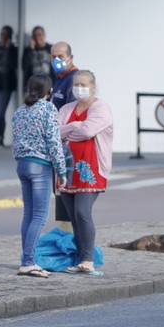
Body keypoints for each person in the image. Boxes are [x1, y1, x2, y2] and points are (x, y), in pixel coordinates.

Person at [57, 69, 113, 275]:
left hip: (91, 168)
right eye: (76, 85)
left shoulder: (101, 109)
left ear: (93, 86)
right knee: (73, 216)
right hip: (66, 169)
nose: (79, 89)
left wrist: (70, 131)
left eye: (84, 85)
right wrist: (74, 125)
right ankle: (81, 257)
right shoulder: (67, 108)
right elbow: (55, 131)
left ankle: (88, 259)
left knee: (82, 211)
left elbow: (88, 131)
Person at [11, 74, 66, 277]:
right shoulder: (48, 109)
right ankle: (28, 262)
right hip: (40, 165)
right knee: (40, 216)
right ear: (49, 91)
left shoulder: (19, 111)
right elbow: (54, 142)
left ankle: (27, 258)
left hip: (22, 164)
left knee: (28, 214)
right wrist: (61, 171)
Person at [49, 41, 78, 108]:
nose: (56, 60)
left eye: (60, 56)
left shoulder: (74, 79)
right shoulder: (59, 76)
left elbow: (71, 110)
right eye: (53, 57)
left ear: (70, 58)